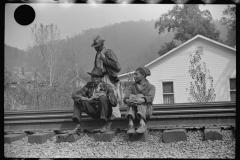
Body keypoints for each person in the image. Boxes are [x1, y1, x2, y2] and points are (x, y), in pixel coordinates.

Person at [71, 67, 118, 133]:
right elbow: (74, 95)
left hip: (106, 112)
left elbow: (114, 103)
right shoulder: (88, 86)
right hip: (93, 111)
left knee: (102, 98)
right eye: (93, 77)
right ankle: (77, 126)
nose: (94, 79)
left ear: (101, 78)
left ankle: (104, 125)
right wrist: (87, 99)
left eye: (96, 77)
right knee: (78, 100)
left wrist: (105, 96)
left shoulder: (107, 87)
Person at [91, 36, 122, 118]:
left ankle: (117, 120)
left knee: (112, 99)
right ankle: (106, 120)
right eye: (95, 47)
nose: (96, 48)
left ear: (102, 45)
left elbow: (117, 67)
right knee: (102, 99)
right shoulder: (97, 55)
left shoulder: (108, 52)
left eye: (97, 46)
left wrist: (104, 59)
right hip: (100, 80)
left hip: (109, 78)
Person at [123, 67, 156, 134]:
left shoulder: (151, 87)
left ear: (143, 76)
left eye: (136, 74)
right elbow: (125, 97)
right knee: (131, 96)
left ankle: (142, 124)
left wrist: (142, 100)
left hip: (147, 110)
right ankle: (131, 124)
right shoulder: (131, 86)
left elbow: (151, 98)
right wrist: (128, 101)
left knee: (140, 96)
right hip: (134, 111)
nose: (134, 76)